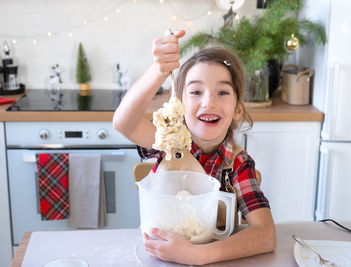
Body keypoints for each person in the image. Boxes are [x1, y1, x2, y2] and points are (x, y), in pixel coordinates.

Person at [113, 30, 276, 265]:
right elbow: (123, 123)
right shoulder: (169, 142)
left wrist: (198, 255)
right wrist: (158, 71)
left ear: (238, 110)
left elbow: (266, 235)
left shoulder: (238, 165)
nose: (208, 101)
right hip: (159, 256)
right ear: (179, 105)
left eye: (222, 92)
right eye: (196, 92)